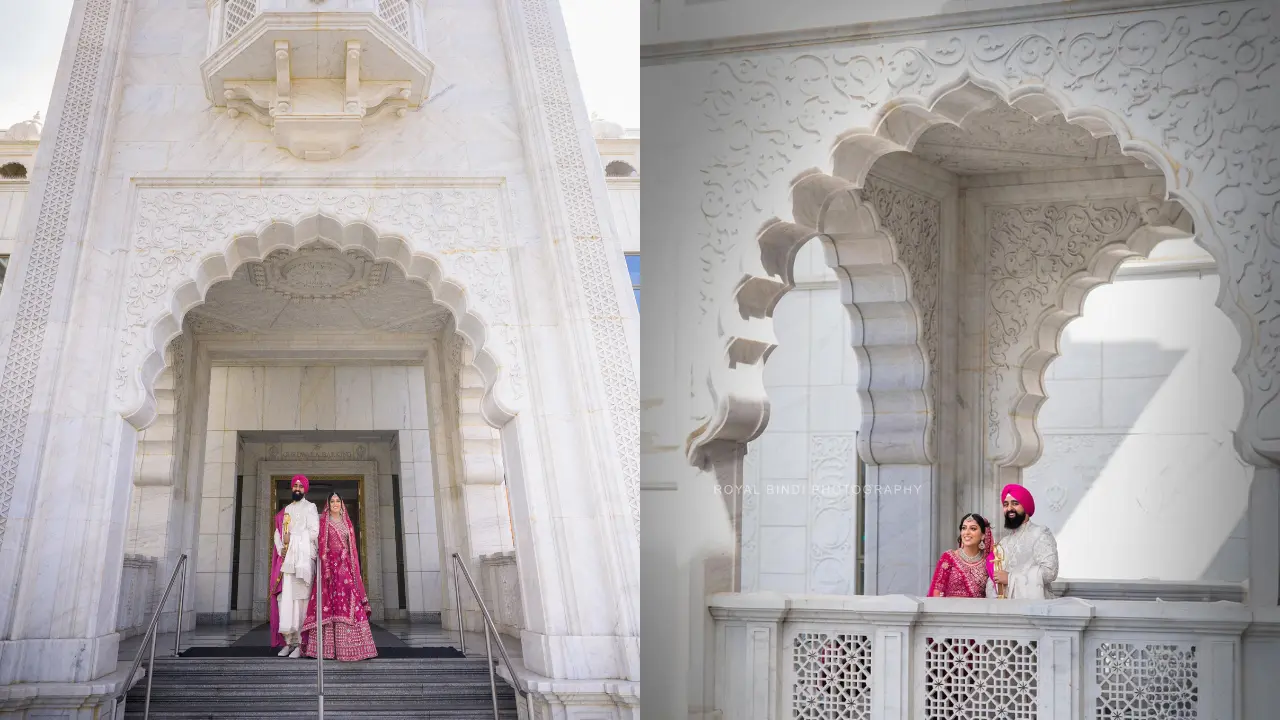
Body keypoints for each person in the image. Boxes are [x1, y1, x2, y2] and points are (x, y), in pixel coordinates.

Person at [300, 492, 378, 662]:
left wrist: (348, 563)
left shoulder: (347, 524)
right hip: (329, 571)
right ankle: (327, 649)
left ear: (342, 504)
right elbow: (321, 545)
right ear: (328, 504)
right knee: (330, 605)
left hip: (345, 570)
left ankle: (353, 647)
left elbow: (352, 550)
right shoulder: (323, 522)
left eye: (338, 501)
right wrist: (327, 566)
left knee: (352, 602)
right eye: (332, 501)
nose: (335, 503)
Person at [270, 474, 320, 658]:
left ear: (305, 489)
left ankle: (301, 643)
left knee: (301, 603)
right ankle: (288, 642)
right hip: (287, 563)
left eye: (300, 486)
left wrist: (293, 540)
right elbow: (278, 533)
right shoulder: (286, 511)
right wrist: (281, 548)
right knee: (285, 602)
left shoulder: (310, 507)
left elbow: (314, 532)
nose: (297, 488)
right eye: (295, 485)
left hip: (303, 562)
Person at [991, 483, 1059, 599]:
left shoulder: (1040, 533)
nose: (1009, 508)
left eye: (1015, 503)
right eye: (1006, 504)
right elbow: (995, 575)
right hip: (1005, 609)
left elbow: (1050, 572)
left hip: (1035, 609)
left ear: (1026, 507)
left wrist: (1010, 578)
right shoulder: (1004, 542)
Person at [927, 513, 995, 597]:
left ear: (983, 535)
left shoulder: (988, 561)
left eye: (973, 529)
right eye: (964, 528)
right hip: (949, 609)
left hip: (977, 609)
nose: (967, 532)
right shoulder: (949, 557)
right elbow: (936, 591)